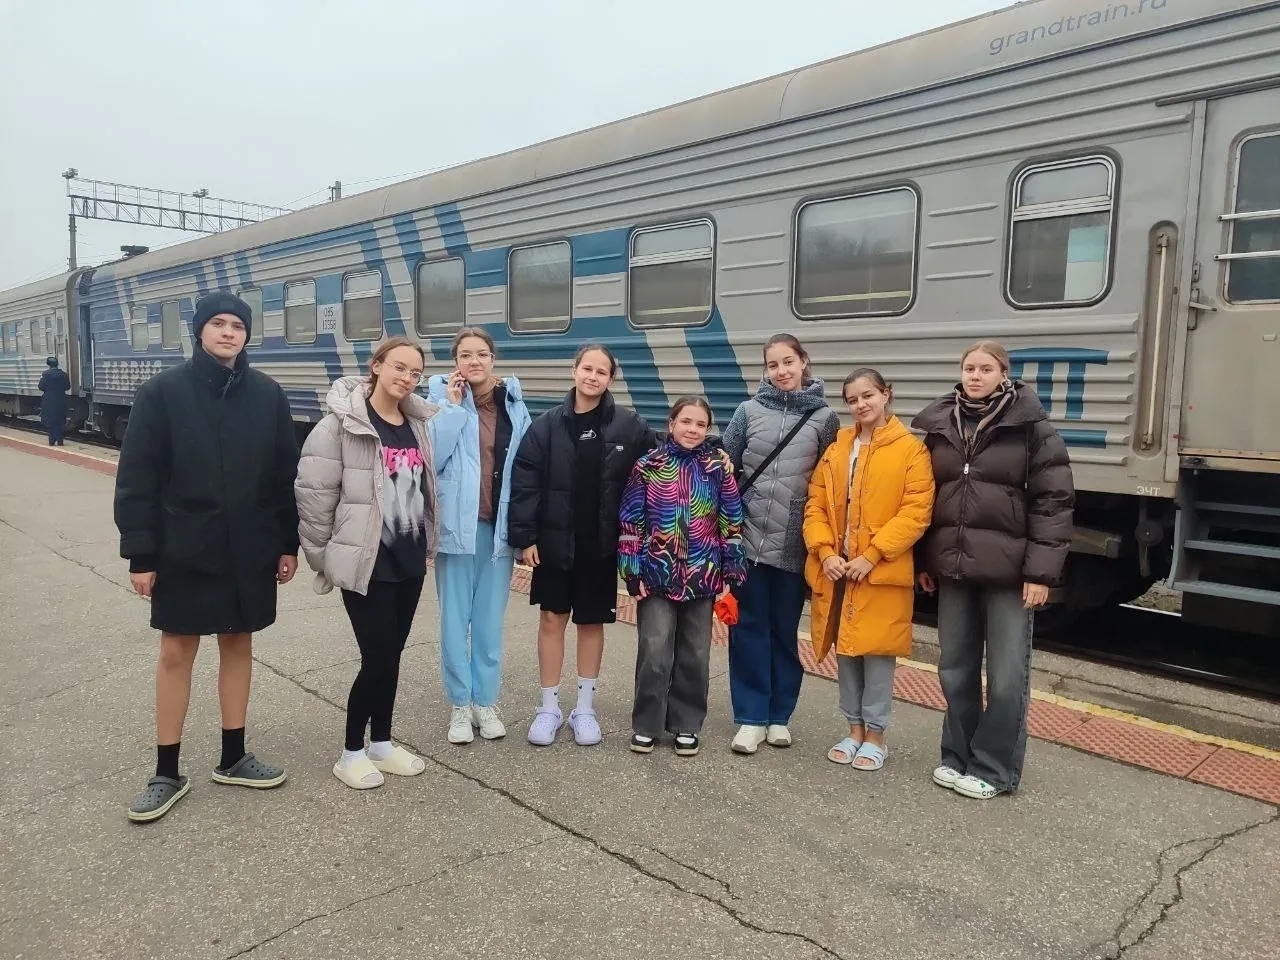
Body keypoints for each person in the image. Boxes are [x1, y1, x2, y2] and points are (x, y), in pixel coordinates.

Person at [114, 292, 301, 823]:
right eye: (217, 323)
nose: (227, 332)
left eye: (237, 325)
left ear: (247, 335)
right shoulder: (163, 393)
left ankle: (233, 756)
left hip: (249, 545)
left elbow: (282, 476)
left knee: (238, 642)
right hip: (183, 546)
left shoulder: (267, 394)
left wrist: (286, 543)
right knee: (177, 650)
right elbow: (138, 478)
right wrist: (141, 553)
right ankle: (166, 772)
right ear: (199, 331)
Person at [295, 336, 465, 790]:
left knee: (391, 657)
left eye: (415, 373)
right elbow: (314, 497)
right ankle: (351, 752)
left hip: (408, 559)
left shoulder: (416, 423)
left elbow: (424, 488)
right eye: (399, 367)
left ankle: (382, 744)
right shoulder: (340, 425)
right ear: (376, 366)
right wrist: (326, 559)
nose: (407, 378)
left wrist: (427, 543)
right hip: (366, 562)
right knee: (377, 659)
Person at [913, 340, 1074, 799]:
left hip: (1009, 573)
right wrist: (924, 561)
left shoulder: (1033, 428)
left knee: (1006, 677)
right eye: (969, 368)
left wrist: (1040, 574)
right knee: (955, 669)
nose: (975, 376)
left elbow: (1053, 502)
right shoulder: (942, 425)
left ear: (1004, 374)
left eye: (985, 368)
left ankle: (994, 768)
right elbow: (925, 496)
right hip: (954, 568)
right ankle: (956, 756)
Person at [508, 343, 656, 747]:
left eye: (601, 371)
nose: (593, 377)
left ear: (611, 379)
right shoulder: (547, 426)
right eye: (587, 368)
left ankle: (584, 709)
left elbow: (663, 456)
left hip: (601, 547)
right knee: (551, 620)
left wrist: (712, 449)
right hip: (554, 543)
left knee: (591, 623)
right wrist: (525, 537)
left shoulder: (629, 425)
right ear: (574, 371)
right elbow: (525, 481)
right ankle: (548, 708)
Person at [803, 369, 935, 772]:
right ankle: (853, 729)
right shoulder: (838, 446)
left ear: (886, 394)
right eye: (853, 399)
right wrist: (826, 552)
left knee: (877, 652)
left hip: (880, 570)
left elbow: (916, 512)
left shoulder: (911, 450)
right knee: (846, 649)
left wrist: (873, 554)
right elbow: (816, 504)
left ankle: (876, 735)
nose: (861, 405)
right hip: (840, 568)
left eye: (868, 396)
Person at [720, 334, 839, 754]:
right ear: (766, 370)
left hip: (794, 543)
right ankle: (751, 717)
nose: (781, 371)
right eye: (773, 364)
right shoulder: (747, 411)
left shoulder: (825, 418)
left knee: (785, 631)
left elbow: (828, 483)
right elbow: (725, 466)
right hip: (747, 538)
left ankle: (779, 716)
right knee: (748, 628)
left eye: (788, 362)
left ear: (804, 362)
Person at [619, 396, 747, 757]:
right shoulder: (648, 466)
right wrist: (631, 571)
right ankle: (647, 725)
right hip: (656, 576)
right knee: (654, 652)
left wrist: (731, 569)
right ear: (671, 423)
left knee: (695, 655)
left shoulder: (717, 468)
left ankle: (686, 724)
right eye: (686, 421)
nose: (693, 429)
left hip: (703, 577)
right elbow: (630, 521)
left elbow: (731, 523)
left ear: (708, 429)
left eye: (700, 424)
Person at [426, 328, 532, 745]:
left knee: (488, 622)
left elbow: (525, 469)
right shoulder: (438, 401)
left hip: (497, 529)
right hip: (457, 529)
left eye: (482, 354)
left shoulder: (513, 405)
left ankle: (485, 702)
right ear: (455, 361)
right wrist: (453, 408)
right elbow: (431, 459)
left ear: (492, 359)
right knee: (455, 621)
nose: (474, 361)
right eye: (465, 355)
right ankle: (459, 703)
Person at [38, 356, 71, 446]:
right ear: (57, 364)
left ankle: (52, 440)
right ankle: (59, 440)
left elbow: (40, 387)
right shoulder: (64, 374)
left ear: (48, 364)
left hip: (49, 400)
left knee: (50, 419)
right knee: (60, 419)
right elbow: (68, 387)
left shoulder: (45, 375)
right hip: (61, 398)